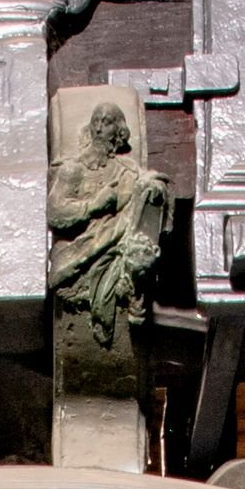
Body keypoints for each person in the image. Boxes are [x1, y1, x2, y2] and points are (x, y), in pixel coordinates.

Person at [47, 101, 166, 344]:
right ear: (90, 128)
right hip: (80, 250)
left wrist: (154, 187)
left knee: (140, 254)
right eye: (96, 121)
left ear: (120, 132)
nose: (100, 128)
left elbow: (148, 182)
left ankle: (134, 297)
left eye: (108, 122)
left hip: (118, 244)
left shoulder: (126, 169)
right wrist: (94, 205)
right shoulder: (73, 169)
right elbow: (56, 212)